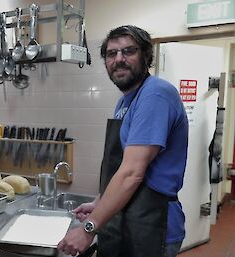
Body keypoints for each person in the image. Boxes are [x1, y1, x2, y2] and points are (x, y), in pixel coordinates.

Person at [57, 25, 189, 257]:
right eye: (111, 53)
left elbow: (131, 173)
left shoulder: (156, 94)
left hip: (152, 221)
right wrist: (100, 201)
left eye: (128, 51)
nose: (119, 59)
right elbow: (120, 165)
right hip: (129, 216)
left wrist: (88, 229)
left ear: (146, 56)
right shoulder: (126, 101)